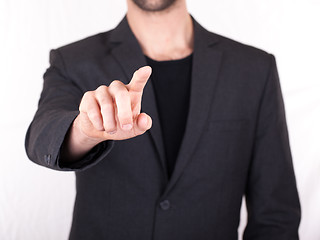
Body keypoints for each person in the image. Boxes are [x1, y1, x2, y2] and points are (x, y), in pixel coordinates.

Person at [25, 0, 301, 239]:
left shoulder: (253, 69)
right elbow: (41, 136)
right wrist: (85, 131)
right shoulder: (73, 60)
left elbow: (276, 216)